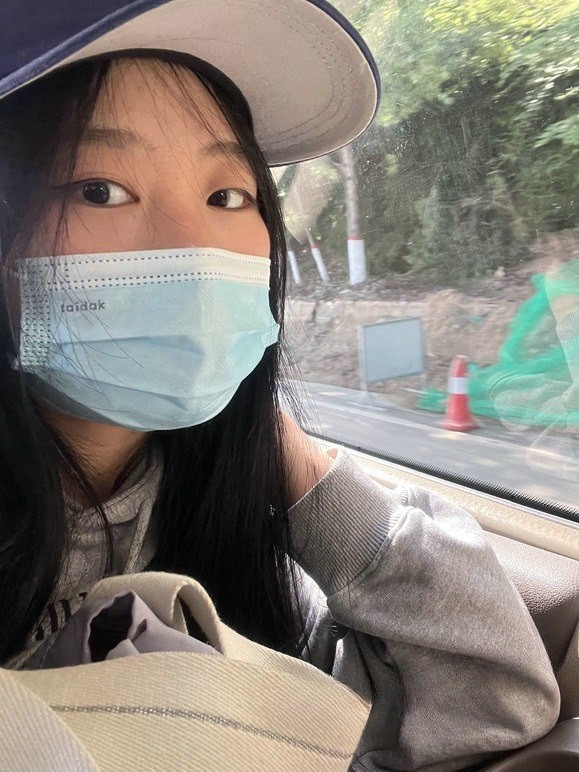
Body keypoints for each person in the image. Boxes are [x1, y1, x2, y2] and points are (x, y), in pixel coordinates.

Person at [0, 2, 559, 769]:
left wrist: (296, 467)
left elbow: (493, 705)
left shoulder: (223, 512)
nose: (194, 248)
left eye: (229, 196)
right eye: (98, 188)